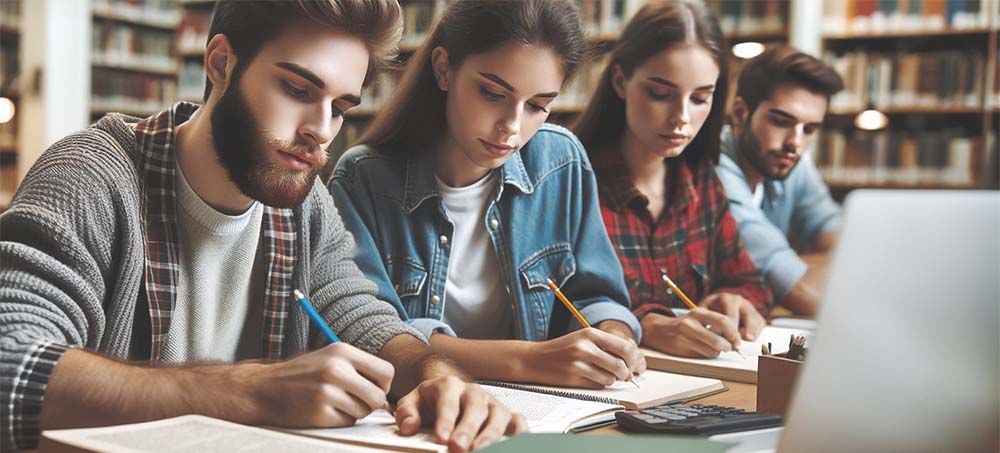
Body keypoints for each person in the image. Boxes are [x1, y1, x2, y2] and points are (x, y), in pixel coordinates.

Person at [0, 2, 524, 451]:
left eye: (341, 107)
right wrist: (255, 390)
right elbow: (11, 367)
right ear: (222, 63)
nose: (321, 131)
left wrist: (436, 375)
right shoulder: (91, 174)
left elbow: (361, 315)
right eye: (298, 89)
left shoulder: (303, 203)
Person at [330, 0, 646, 389]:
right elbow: (378, 335)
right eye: (493, 93)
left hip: (554, 409)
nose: (511, 127)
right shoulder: (363, 179)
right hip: (421, 413)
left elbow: (598, 295)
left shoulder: (561, 161)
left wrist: (613, 335)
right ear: (444, 68)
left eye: (537, 105)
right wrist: (531, 361)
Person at [572, 0, 772, 359]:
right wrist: (647, 326)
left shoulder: (702, 180)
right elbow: (554, 307)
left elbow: (749, 281)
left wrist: (735, 300)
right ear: (621, 81)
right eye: (660, 94)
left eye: (700, 99)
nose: (681, 118)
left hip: (706, 387)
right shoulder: (574, 182)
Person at [716, 45, 845, 317]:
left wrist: (792, 269)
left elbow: (850, 248)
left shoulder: (790, 161)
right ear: (740, 113)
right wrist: (798, 276)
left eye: (809, 129)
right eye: (781, 121)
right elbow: (805, 294)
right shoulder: (714, 170)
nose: (795, 143)